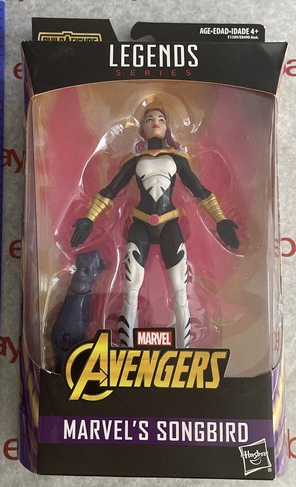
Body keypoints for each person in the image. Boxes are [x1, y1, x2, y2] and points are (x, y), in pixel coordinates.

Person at [71, 107, 239, 348]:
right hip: (140, 223)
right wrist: (89, 218)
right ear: (142, 128)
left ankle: (183, 349)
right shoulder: (134, 161)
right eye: (149, 119)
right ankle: (128, 348)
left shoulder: (177, 159)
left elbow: (200, 191)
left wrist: (220, 220)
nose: (155, 122)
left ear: (168, 126)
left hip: (169, 223)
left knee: (180, 290)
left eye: (161, 119)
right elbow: (111, 190)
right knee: (131, 289)